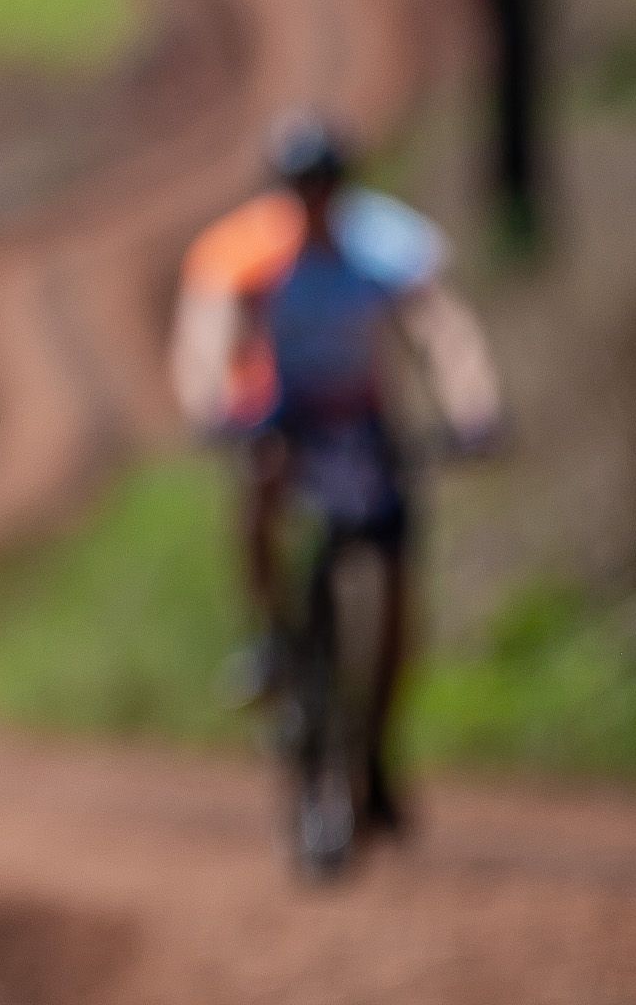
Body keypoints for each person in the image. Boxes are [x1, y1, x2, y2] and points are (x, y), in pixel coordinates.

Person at [169, 113, 502, 831]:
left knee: (396, 575)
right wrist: (210, 403)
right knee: (261, 487)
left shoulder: (387, 244)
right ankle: (272, 635)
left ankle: (377, 746)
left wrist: (473, 408)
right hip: (284, 415)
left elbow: (442, 330)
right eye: (299, 185)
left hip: (362, 421)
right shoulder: (245, 248)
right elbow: (207, 333)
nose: (312, 198)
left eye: (323, 184)